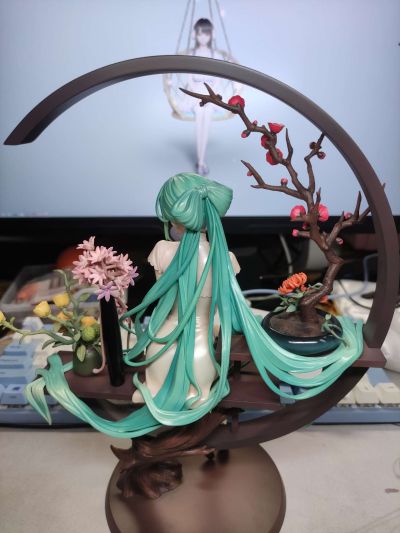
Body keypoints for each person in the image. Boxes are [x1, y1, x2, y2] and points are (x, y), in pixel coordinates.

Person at [25, 172, 363, 438]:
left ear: (176, 219)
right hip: (204, 338)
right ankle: (195, 393)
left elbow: (165, 298)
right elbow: (221, 303)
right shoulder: (224, 257)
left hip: (168, 333)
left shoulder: (163, 251)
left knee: (158, 346)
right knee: (200, 349)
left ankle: (160, 392)